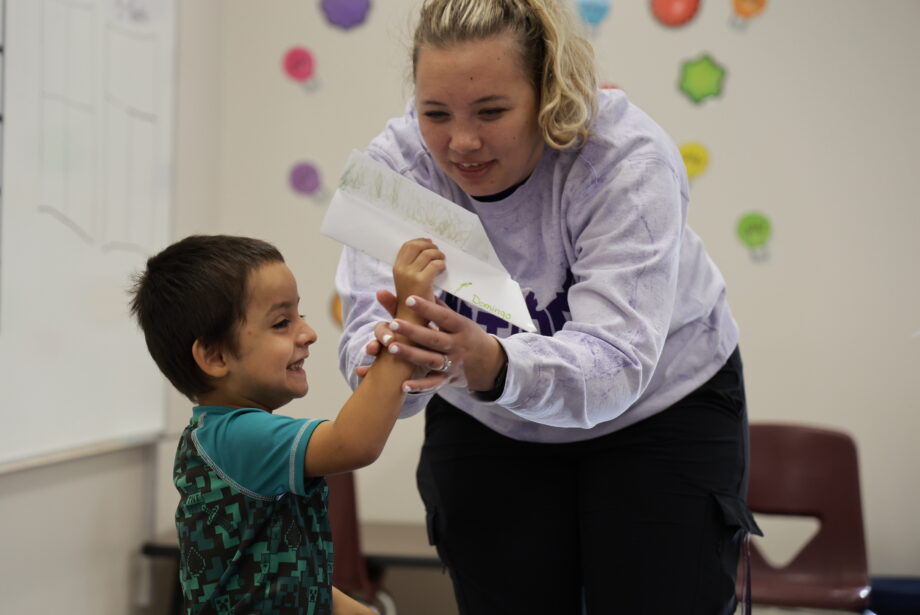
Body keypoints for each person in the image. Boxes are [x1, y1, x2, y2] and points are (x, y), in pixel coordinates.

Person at [334, 1, 762, 614]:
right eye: (436, 113)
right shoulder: (396, 171)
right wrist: (397, 357)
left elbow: (616, 361)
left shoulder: (622, 158)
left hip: (659, 407)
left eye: (492, 111)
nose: (462, 142)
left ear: (547, 94)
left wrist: (493, 363)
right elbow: (361, 356)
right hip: (486, 418)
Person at [130, 234, 444, 615]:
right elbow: (355, 441)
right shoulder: (236, 438)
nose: (308, 334)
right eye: (281, 323)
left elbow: (297, 580)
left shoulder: (224, 438)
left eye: (301, 316)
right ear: (214, 356)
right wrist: (407, 322)